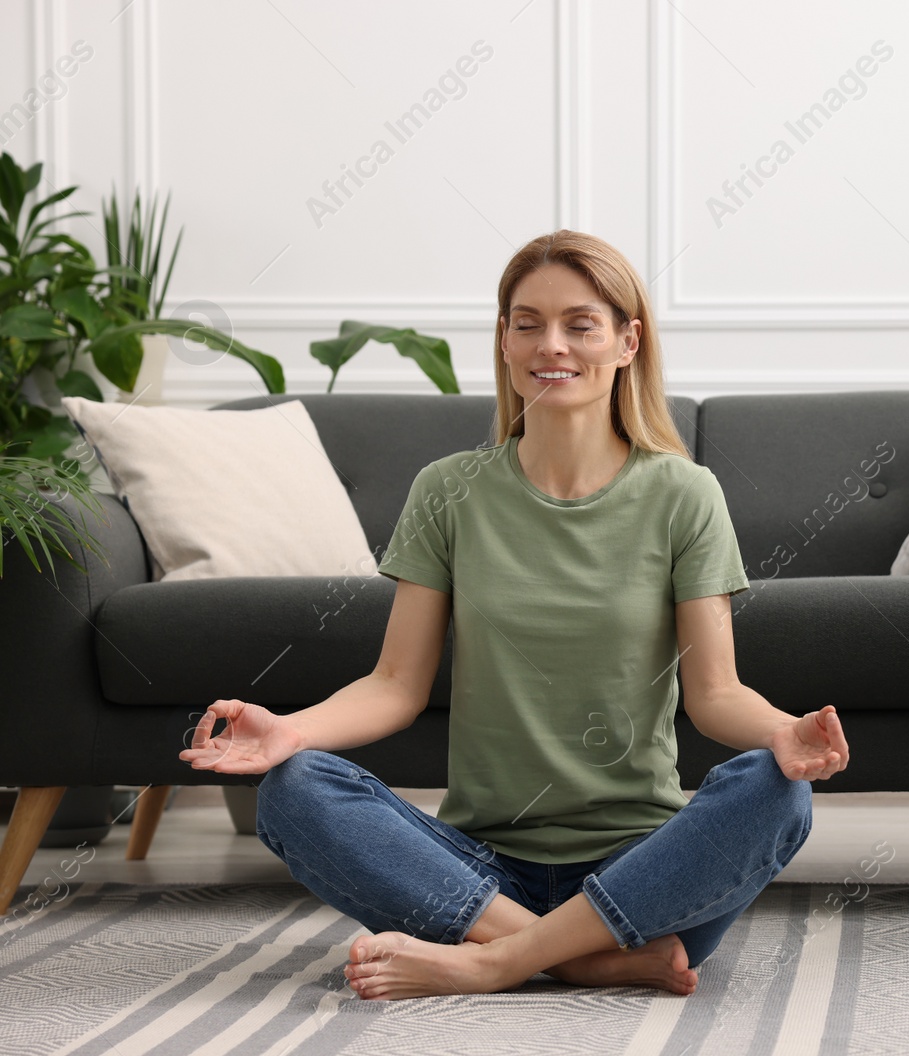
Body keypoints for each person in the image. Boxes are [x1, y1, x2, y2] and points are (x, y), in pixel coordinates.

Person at [178, 229, 849, 1001]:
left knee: (778, 791)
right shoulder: (448, 489)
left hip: (642, 877)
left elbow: (714, 695)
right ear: (503, 340)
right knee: (292, 787)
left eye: (580, 324)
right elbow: (395, 683)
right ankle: (583, 959)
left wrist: (782, 734)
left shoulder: (684, 494)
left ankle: (494, 960)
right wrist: (290, 728)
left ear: (629, 341)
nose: (550, 344)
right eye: (526, 322)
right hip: (479, 871)